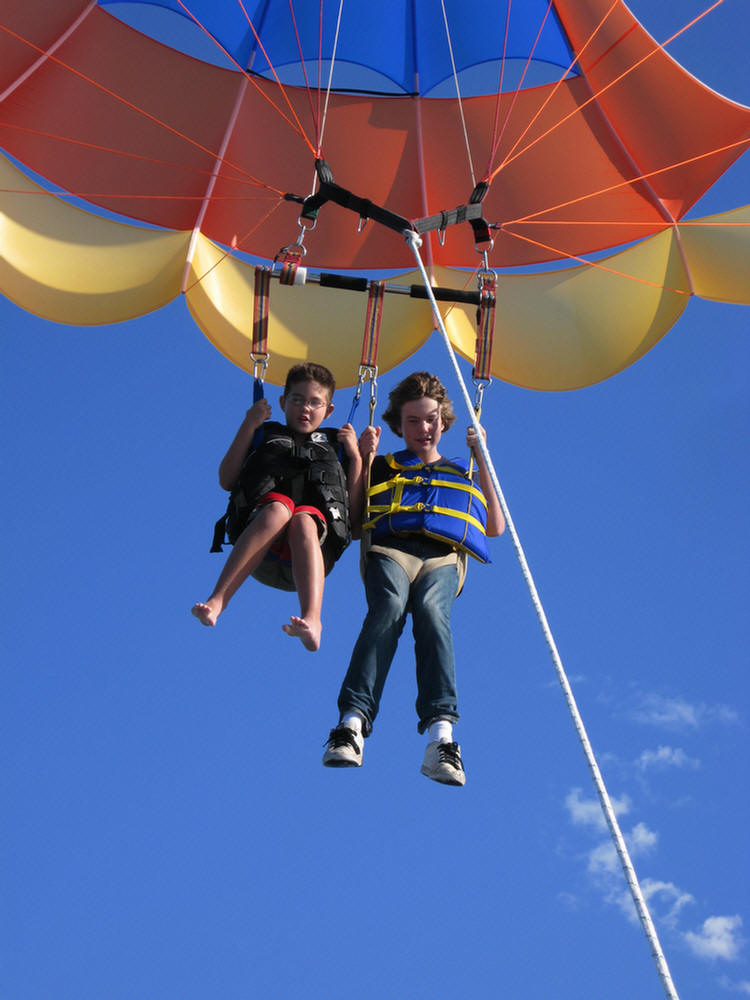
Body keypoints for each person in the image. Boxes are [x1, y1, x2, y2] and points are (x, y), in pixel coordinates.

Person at [322, 371, 505, 784]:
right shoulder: (384, 466)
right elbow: (354, 519)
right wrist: (359, 459)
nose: (424, 428)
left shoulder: (463, 471)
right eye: (414, 421)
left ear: (444, 421)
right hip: (391, 549)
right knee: (387, 608)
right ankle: (350, 726)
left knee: (432, 614)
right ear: (398, 425)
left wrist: (485, 457)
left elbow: (494, 525)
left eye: (431, 419)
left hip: (442, 558)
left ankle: (442, 737)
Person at [191, 362, 362, 652]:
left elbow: (354, 523)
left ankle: (313, 619)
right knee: (279, 509)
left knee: (304, 519)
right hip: (260, 546)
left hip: (311, 553)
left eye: (314, 402)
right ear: (283, 402)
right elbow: (226, 479)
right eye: (297, 399)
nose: (304, 408)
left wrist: (357, 457)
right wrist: (249, 424)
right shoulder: (264, 433)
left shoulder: (338, 446)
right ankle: (218, 600)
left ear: (329, 411)